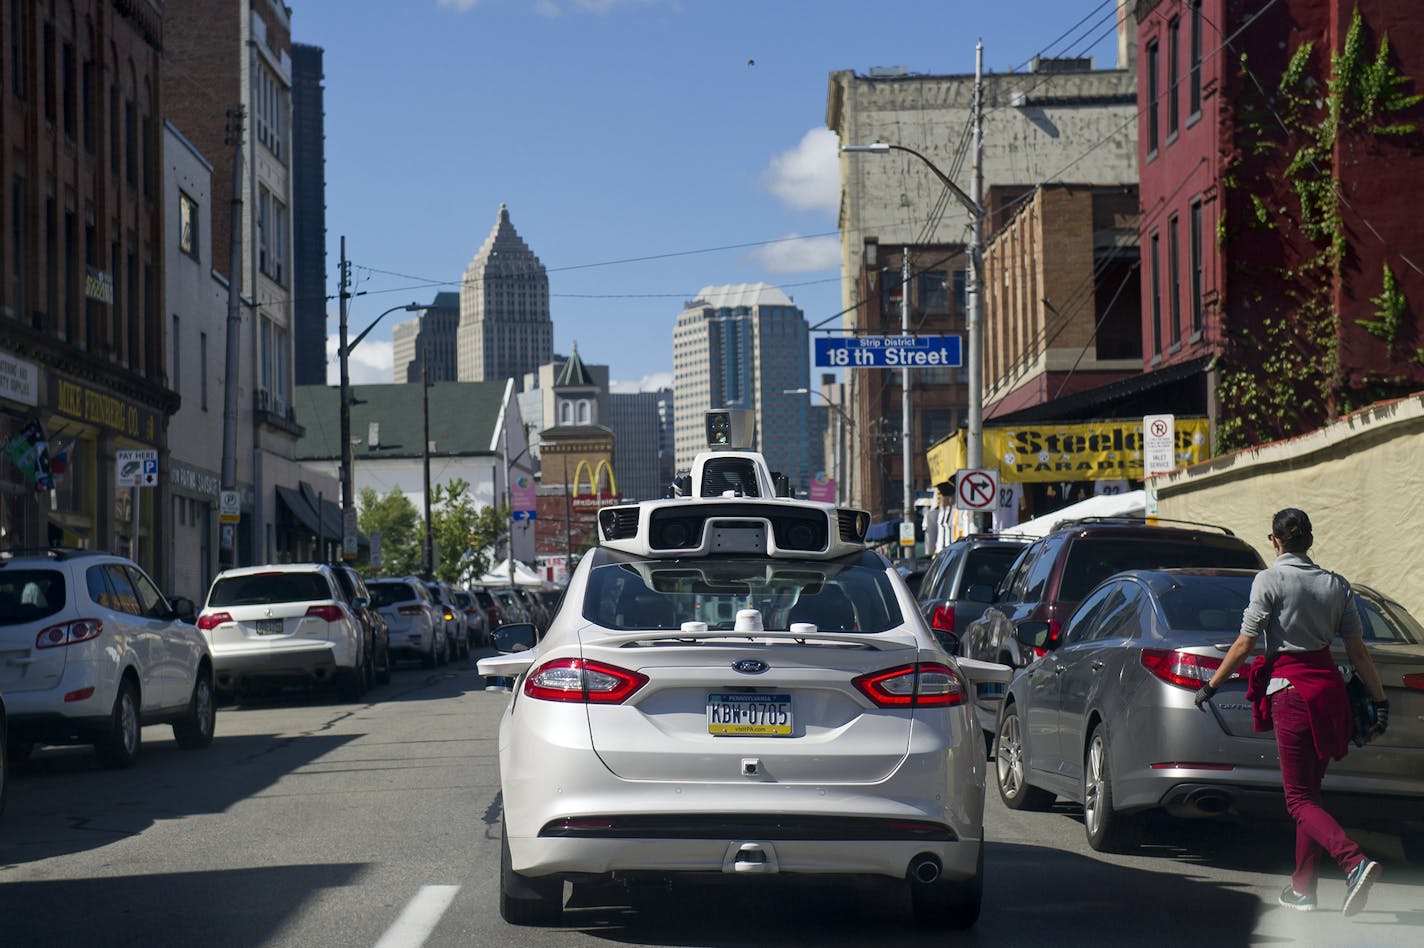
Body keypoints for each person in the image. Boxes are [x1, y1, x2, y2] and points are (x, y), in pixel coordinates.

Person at [1193, 508, 1389, 917]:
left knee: (1297, 800)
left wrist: (1210, 686)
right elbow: (1357, 651)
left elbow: (1245, 644)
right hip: (1329, 692)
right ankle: (1303, 889)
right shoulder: (1336, 584)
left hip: (1292, 693)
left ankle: (1353, 862)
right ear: (1310, 541)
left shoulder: (1269, 580)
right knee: (1310, 796)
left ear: (1275, 541)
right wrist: (1380, 699)